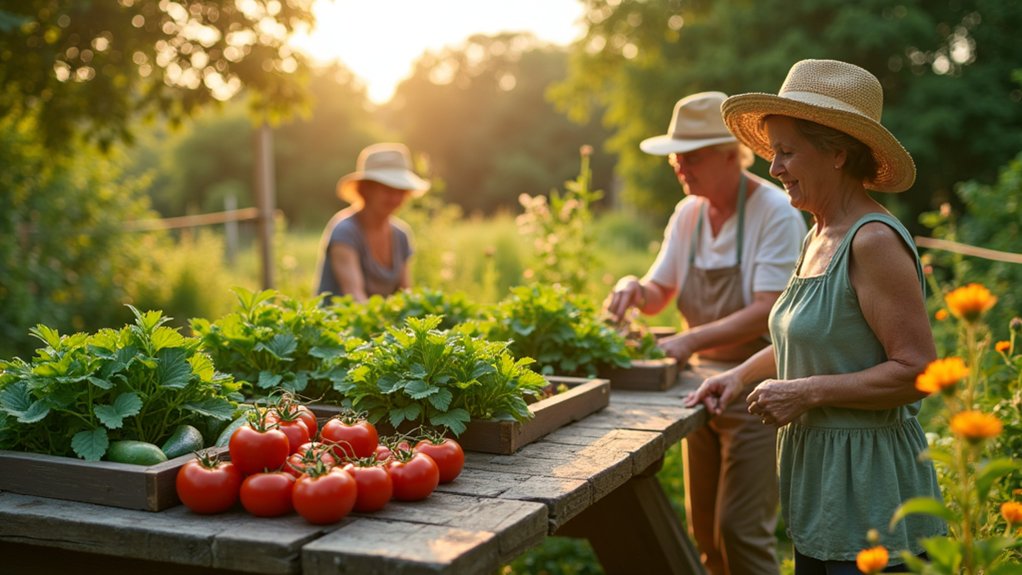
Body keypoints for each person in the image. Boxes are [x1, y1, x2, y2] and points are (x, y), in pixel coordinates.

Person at [686, 59, 946, 573]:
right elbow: (804, 339)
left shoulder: (872, 241)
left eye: (786, 152)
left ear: (836, 154)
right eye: (773, 152)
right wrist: (736, 378)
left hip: (873, 498)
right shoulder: (817, 234)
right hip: (822, 491)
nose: (773, 167)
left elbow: (918, 371)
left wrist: (804, 391)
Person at [605, 91, 807, 575]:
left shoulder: (774, 212)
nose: (679, 167)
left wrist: (689, 340)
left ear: (729, 154)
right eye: (676, 157)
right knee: (706, 534)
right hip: (701, 389)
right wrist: (632, 286)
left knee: (741, 531)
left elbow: (768, 312)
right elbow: (660, 290)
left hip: (757, 387)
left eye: (690, 157)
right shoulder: (688, 212)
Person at [315, 142, 430, 302]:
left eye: (401, 191)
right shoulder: (345, 231)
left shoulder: (401, 235)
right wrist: (385, 325)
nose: (395, 198)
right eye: (388, 189)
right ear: (365, 189)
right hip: (339, 323)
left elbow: (405, 295)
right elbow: (354, 296)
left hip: (377, 324)